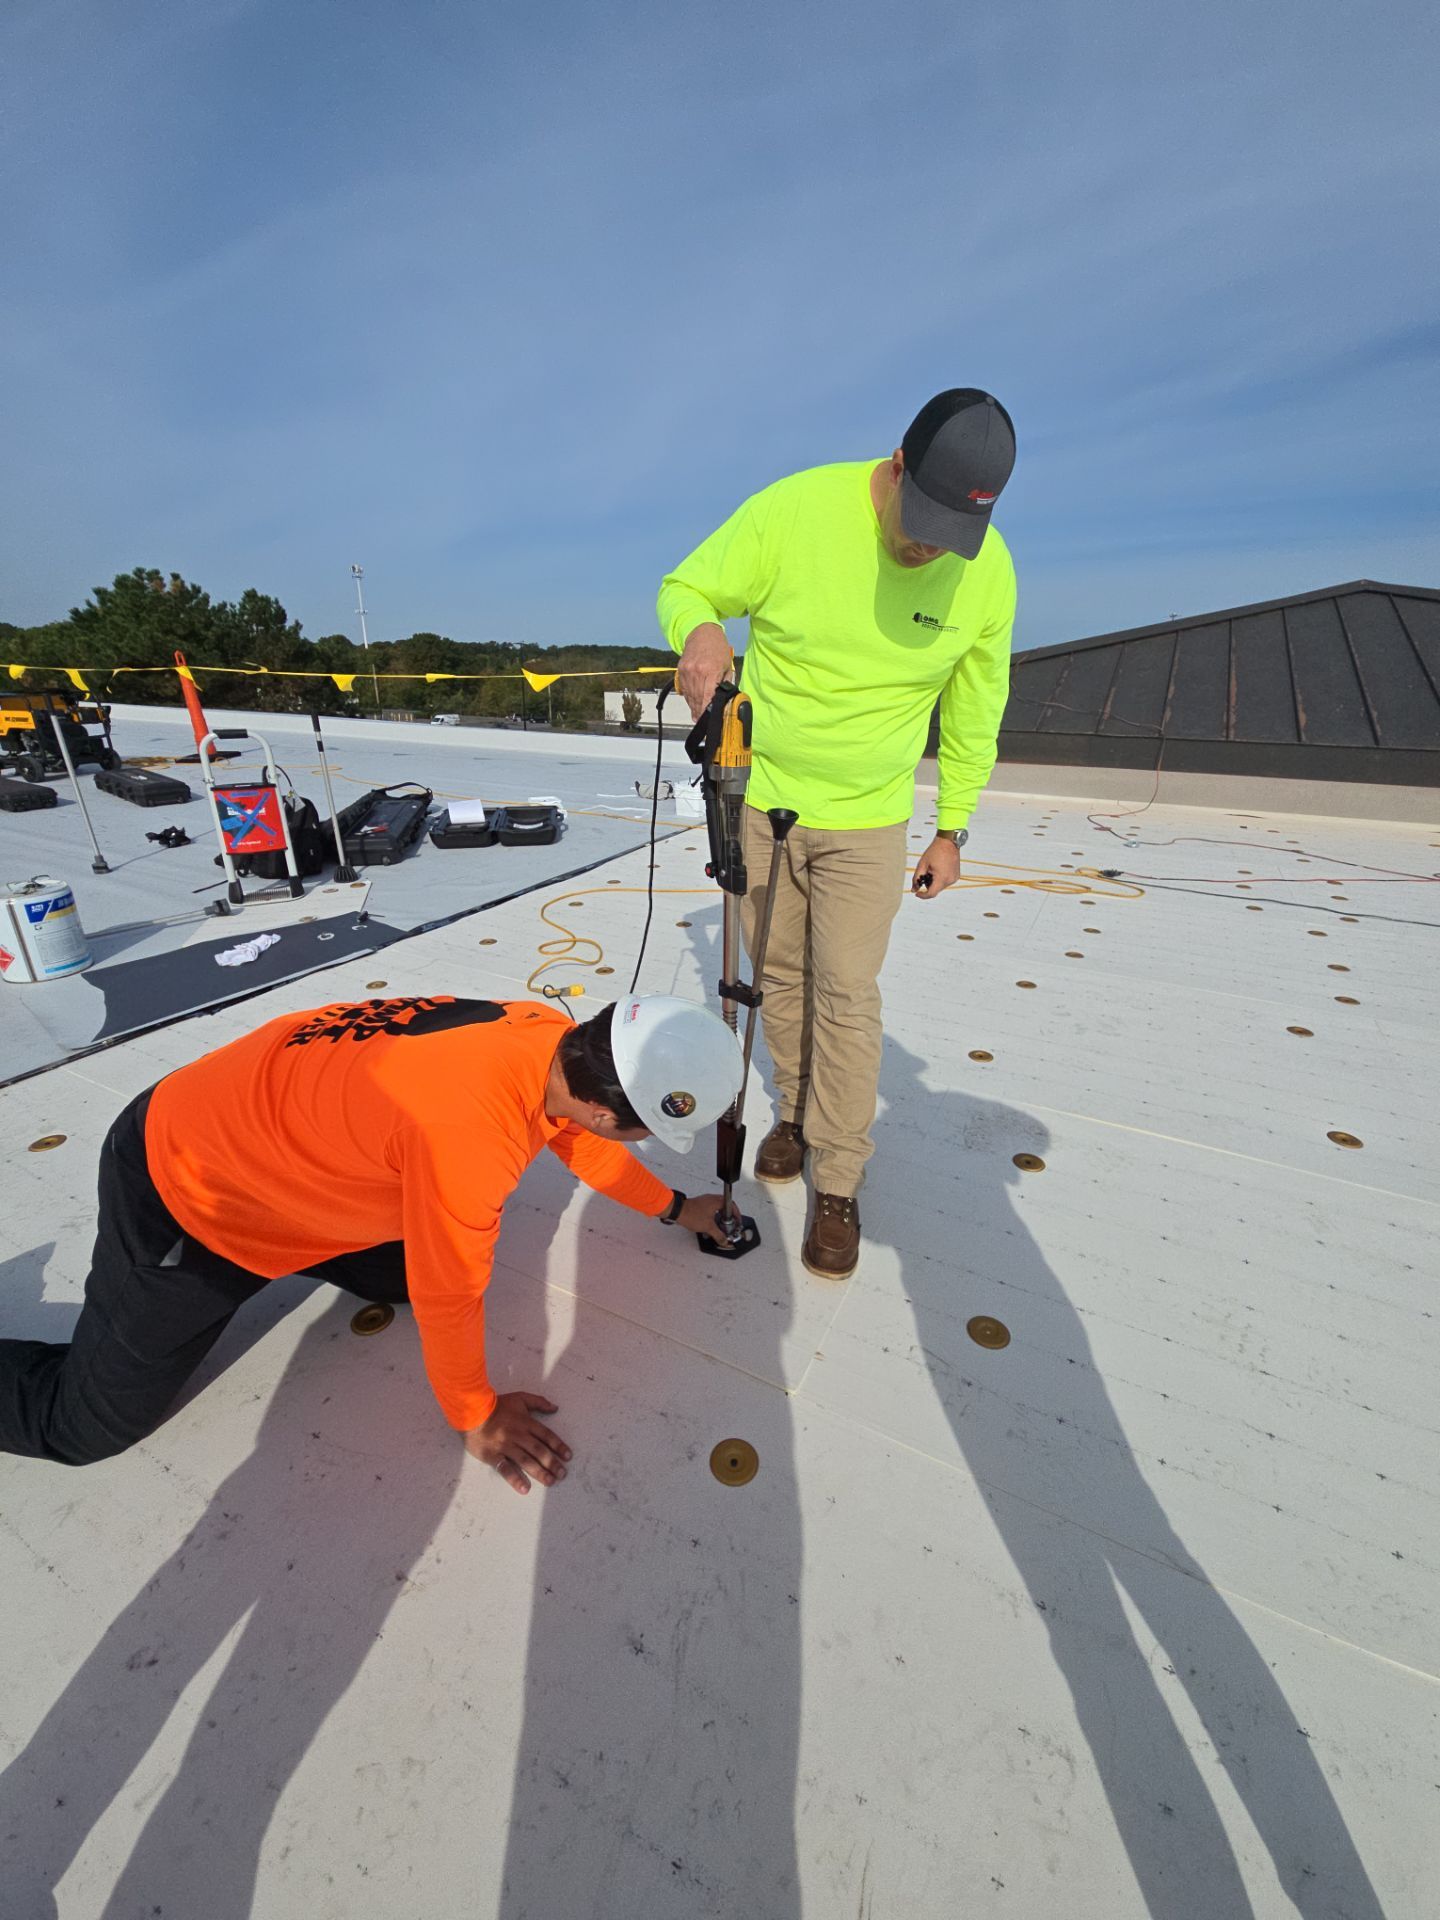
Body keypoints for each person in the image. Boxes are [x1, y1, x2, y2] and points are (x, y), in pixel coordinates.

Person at [0, 994, 739, 1493]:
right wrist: (475, 1414)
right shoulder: (466, 1136)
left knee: (399, 1276)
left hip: (272, 1139)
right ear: (610, 1112)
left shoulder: (543, 1033)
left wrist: (676, 1208)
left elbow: (580, 1142)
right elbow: (453, 1291)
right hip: (191, 1190)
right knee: (84, 1426)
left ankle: (313, 1226)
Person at [658, 388, 1017, 1280]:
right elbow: (688, 584)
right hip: (761, 797)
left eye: (952, 532)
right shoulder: (796, 509)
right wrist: (700, 629)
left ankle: (841, 1177)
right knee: (778, 973)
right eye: (922, 518)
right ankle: (793, 1112)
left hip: (868, 819)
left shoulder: (989, 570)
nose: (928, 545)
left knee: (847, 993)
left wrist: (953, 828)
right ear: (896, 466)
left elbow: (977, 706)